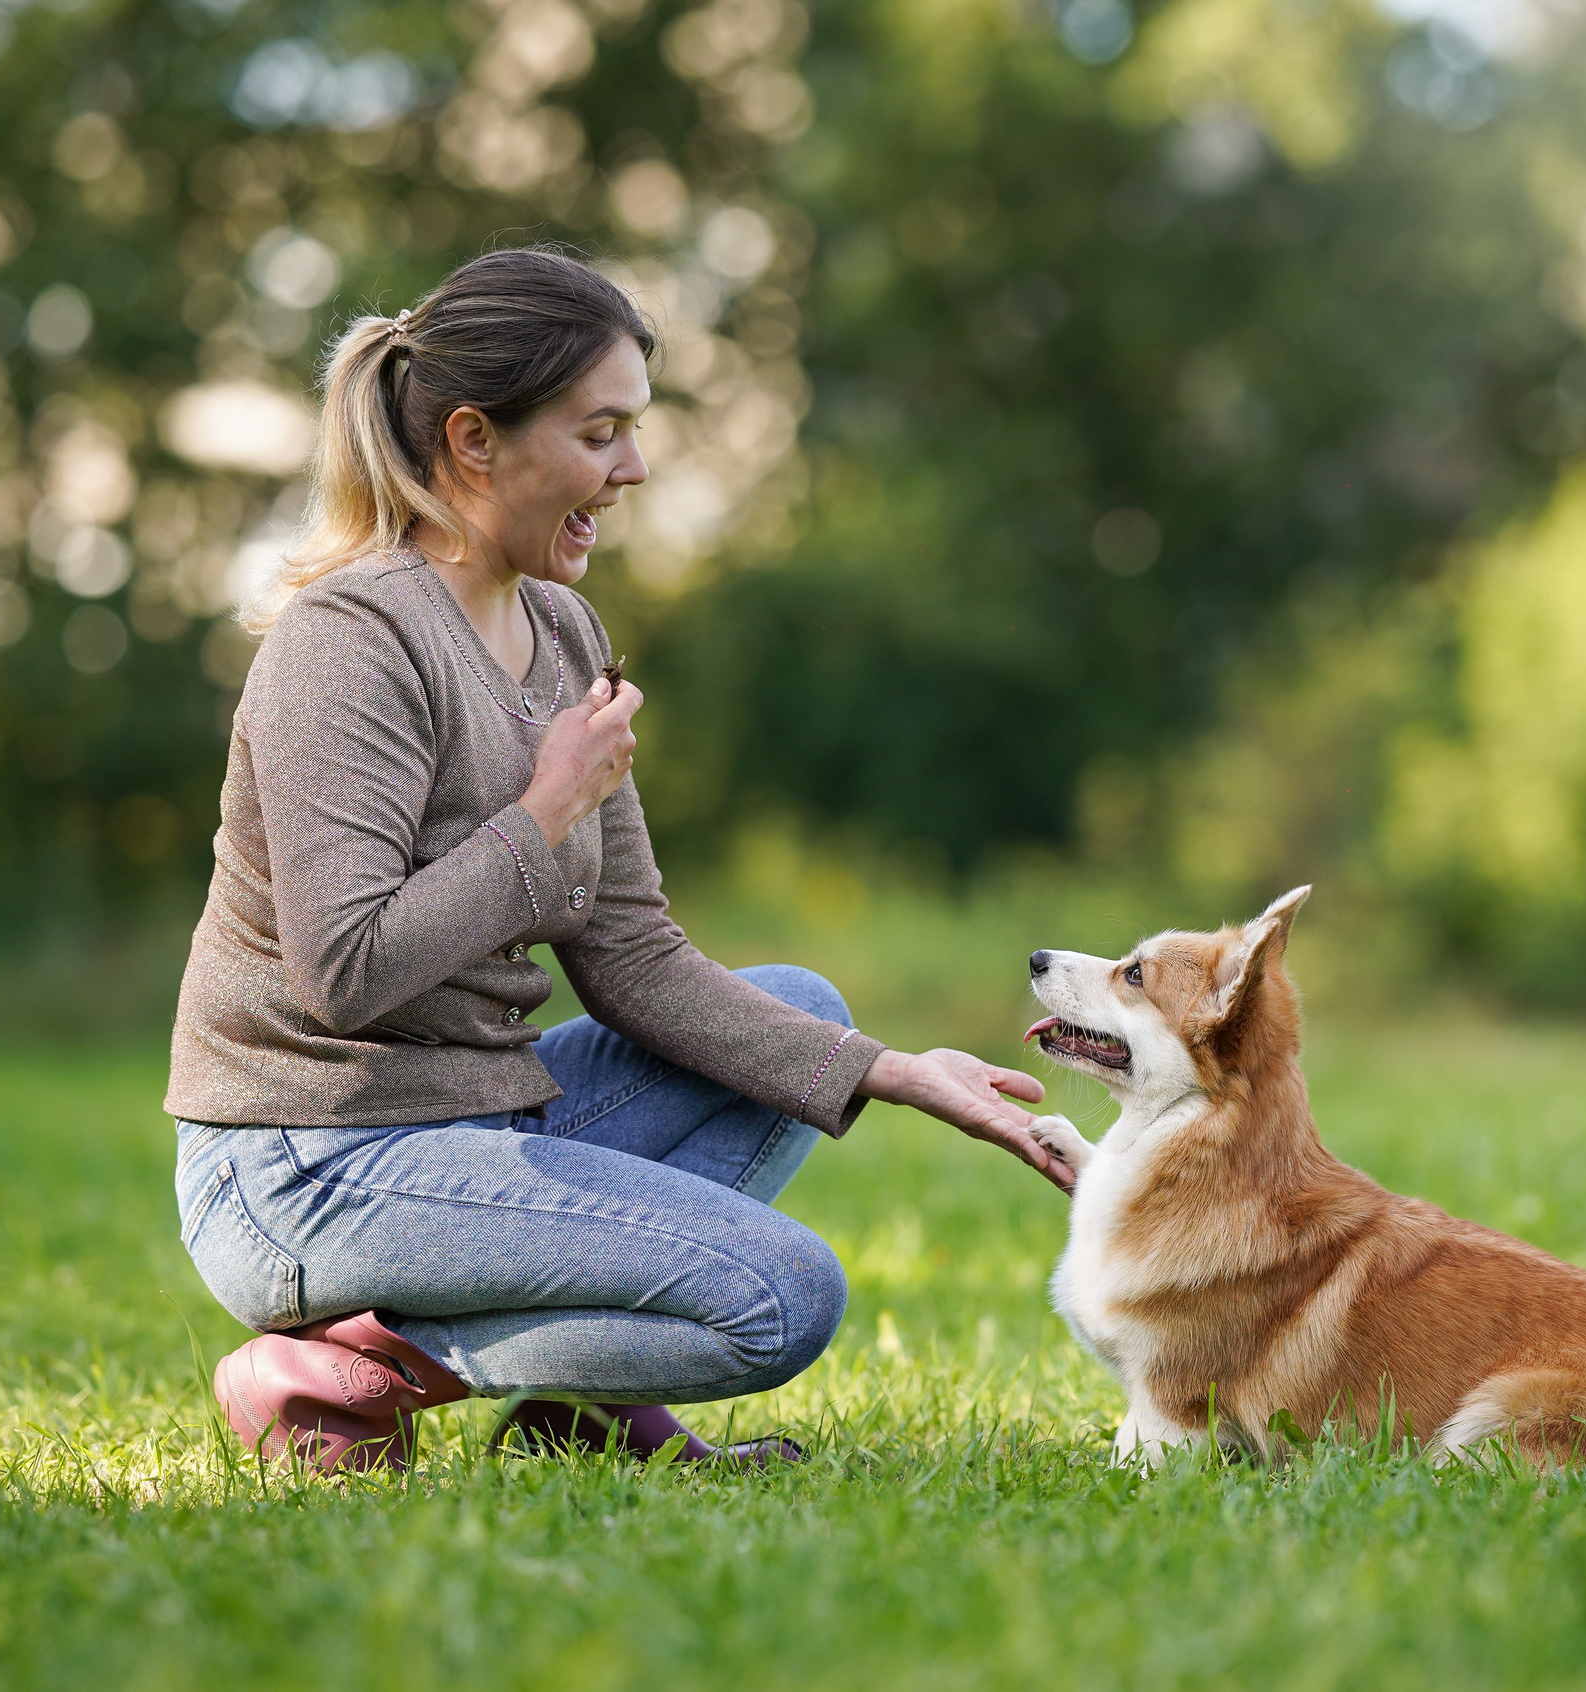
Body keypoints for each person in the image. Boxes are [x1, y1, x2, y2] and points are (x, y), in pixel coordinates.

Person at [166, 246, 1073, 1475]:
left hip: (471, 1116)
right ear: (476, 441)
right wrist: (539, 816)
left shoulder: (560, 628)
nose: (633, 469)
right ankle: (333, 1372)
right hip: (304, 1161)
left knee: (801, 1012)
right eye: (601, 434)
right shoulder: (349, 644)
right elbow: (343, 971)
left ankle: (575, 1423)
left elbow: (633, 954)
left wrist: (892, 1075)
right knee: (780, 1297)